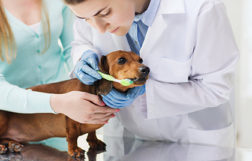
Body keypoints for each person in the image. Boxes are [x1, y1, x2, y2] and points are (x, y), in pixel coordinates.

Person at [64, 0, 239, 147]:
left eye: (105, 13)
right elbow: (82, 41)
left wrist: (143, 92)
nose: (99, 29)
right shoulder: (91, 6)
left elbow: (216, 89)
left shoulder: (203, 9)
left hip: (193, 141)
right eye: (85, 18)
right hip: (126, 139)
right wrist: (83, 56)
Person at [0, 0, 118, 125]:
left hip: (60, 121)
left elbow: (72, 48)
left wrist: (88, 70)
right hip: (5, 126)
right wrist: (59, 103)